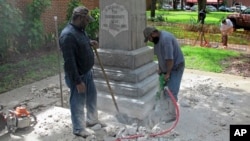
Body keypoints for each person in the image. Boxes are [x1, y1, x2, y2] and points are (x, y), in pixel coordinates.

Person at [59, 6, 105, 138]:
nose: (88, 22)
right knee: (78, 102)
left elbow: (80, 43)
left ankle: (92, 120)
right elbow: (69, 62)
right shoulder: (67, 36)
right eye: (86, 20)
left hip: (87, 73)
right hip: (78, 76)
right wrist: (78, 81)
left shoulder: (80, 30)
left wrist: (89, 42)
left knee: (92, 96)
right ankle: (78, 128)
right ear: (79, 18)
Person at [143, 26, 185, 122]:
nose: (150, 40)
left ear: (153, 33)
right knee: (164, 89)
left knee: (171, 90)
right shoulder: (157, 41)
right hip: (167, 67)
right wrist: (160, 69)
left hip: (176, 66)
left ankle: (172, 114)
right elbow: (159, 56)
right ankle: (166, 108)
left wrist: (168, 73)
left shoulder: (166, 40)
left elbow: (170, 59)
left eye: (149, 38)